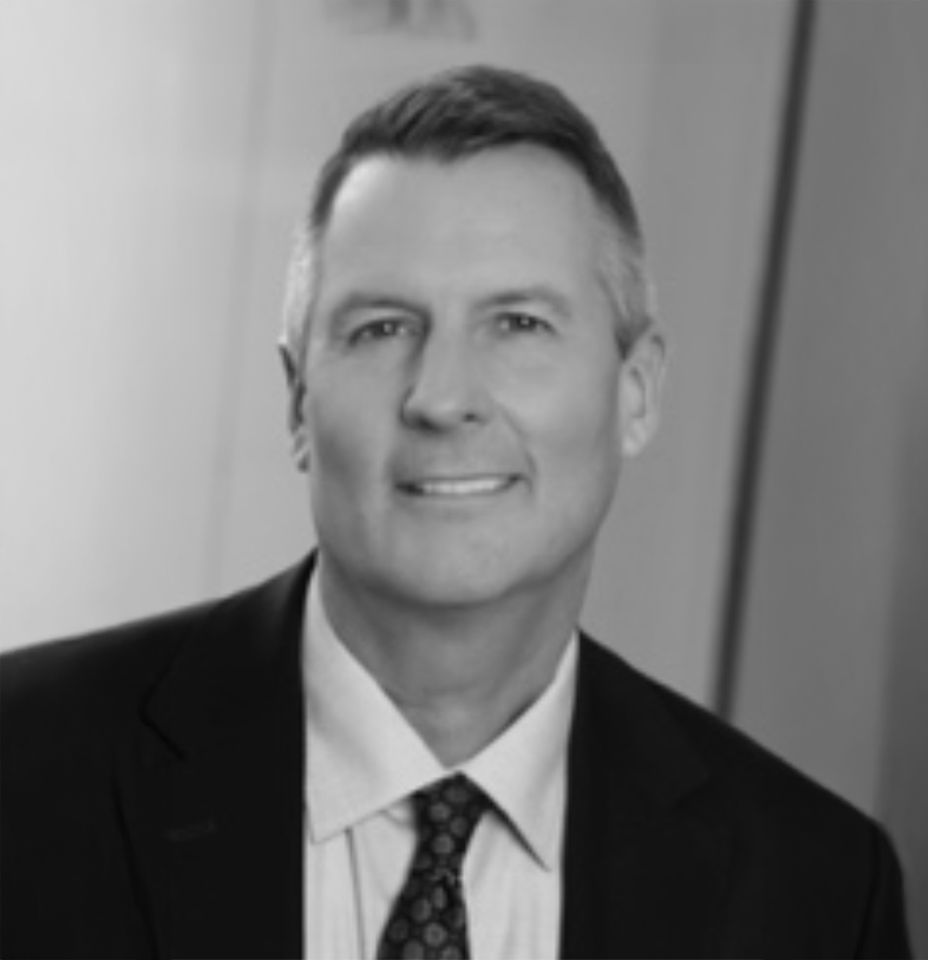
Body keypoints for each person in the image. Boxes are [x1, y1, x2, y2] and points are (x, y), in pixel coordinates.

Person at [0, 65, 912, 960]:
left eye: (518, 324)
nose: (442, 398)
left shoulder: (818, 895)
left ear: (635, 393)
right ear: (298, 402)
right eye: (382, 328)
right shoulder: (25, 770)